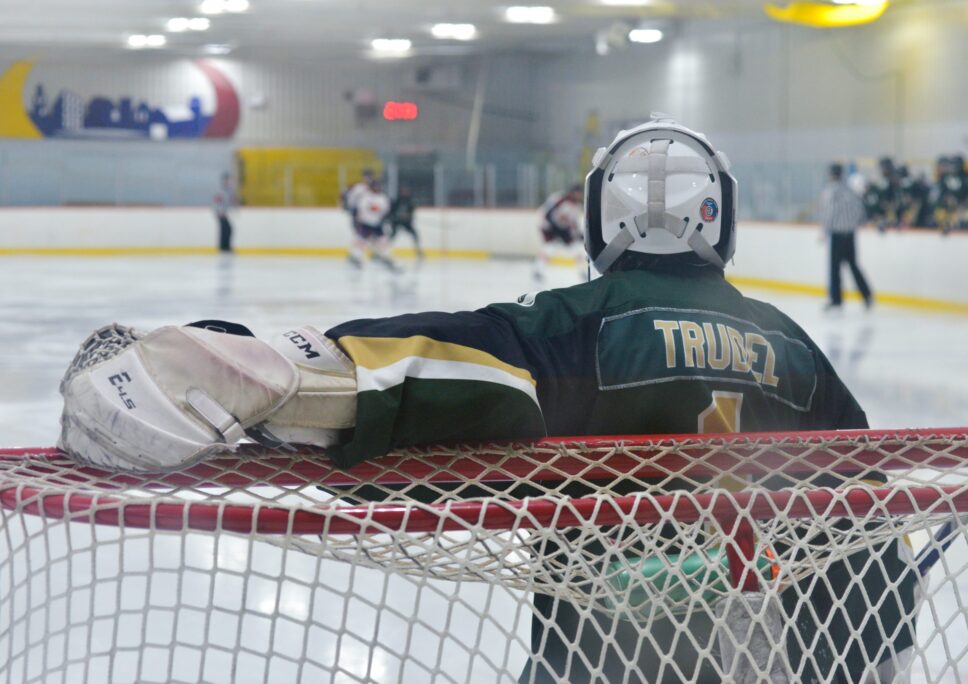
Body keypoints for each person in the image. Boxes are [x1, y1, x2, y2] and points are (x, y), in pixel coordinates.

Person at [56, 117, 915, 683]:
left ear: (599, 222)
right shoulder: (796, 350)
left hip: (609, 649)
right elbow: (865, 517)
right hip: (774, 657)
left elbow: (442, 377)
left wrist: (239, 366)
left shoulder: (573, 323)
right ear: (720, 220)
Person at [821, 163, 873, 310]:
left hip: (837, 235)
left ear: (831, 174)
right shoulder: (849, 190)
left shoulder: (831, 191)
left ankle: (836, 300)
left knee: (834, 268)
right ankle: (866, 295)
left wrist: (825, 230)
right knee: (853, 265)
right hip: (850, 235)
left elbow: (829, 212)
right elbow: (860, 211)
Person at [534, 184, 585, 280]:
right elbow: (548, 214)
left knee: (575, 247)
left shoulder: (576, 206)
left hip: (560, 228)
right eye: (577, 193)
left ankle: (582, 271)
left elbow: (574, 223)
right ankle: (538, 270)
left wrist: (578, 234)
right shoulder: (560, 199)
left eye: (580, 193)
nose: (579, 195)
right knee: (549, 247)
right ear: (572, 192)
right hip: (548, 226)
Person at [350, 178, 397, 271]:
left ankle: (387, 257)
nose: (377, 188)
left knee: (383, 241)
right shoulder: (365, 197)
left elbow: (386, 210)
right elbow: (361, 210)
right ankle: (356, 257)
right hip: (366, 223)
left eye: (378, 186)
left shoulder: (383, 197)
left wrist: (386, 217)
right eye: (375, 186)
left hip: (377, 224)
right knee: (361, 241)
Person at [388, 185, 424, 259]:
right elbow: (391, 211)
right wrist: (393, 218)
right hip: (396, 222)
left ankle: (418, 251)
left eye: (406, 191)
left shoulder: (410, 202)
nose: (405, 192)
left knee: (414, 234)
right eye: (403, 191)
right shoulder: (397, 200)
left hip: (406, 222)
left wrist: (408, 217)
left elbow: (411, 214)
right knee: (391, 236)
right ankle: (383, 250)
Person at [213, 172, 236, 253]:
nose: (228, 181)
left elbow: (231, 201)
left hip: (225, 213)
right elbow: (216, 201)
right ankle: (224, 247)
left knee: (227, 229)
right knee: (226, 229)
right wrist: (219, 212)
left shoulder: (229, 190)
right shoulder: (220, 190)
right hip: (220, 213)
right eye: (227, 180)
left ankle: (225, 247)